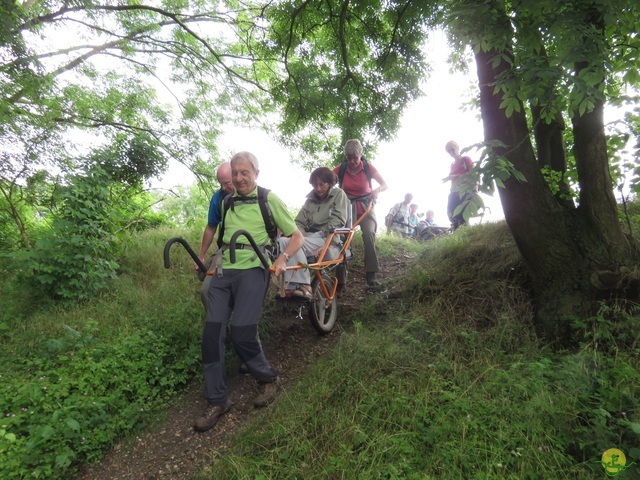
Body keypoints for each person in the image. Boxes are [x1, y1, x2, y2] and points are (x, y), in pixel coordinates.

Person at [194, 151, 305, 432]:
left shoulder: (268, 199)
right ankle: (217, 400)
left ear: (256, 173)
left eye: (245, 172)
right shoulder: (227, 201)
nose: (240, 178)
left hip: (254, 268)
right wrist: (203, 257)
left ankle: (268, 379)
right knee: (211, 335)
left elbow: (297, 236)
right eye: (236, 173)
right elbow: (213, 230)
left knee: (243, 331)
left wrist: (282, 259)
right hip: (223, 271)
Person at [277, 167, 350, 297]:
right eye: (315, 185)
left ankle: (304, 285)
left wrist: (329, 243)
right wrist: (299, 237)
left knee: (292, 243)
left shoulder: (338, 195)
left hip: (327, 236)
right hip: (309, 237)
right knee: (282, 241)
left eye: (322, 184)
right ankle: (292, 286)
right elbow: (298, 222)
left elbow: (338, 220)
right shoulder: (310, 200)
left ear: (330, 183)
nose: (318, 188)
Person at [333, 139, 388, 287]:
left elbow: (384, 184)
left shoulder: (368, 168)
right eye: (349, 158)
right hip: (346, 207)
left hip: (365, 206)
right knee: (342, 239)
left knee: (369, 234)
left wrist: (377, 190)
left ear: (361, 155)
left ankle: (372, 274)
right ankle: (340, 279)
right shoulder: (341, 168)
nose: (352, 161)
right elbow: (326, 181)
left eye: (355, 158)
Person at [196, 162, 235, 273]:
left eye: (227, 183)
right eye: (220, 184)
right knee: (206, 282)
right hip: (225, 250)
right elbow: (211, 227)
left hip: (252, 251)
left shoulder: (257, 196)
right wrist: (201, 256)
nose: (223, 188)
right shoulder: (218, 197)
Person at [445, 140, 475, 230]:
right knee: (452, 216)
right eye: (448, 151)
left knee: (462, 217)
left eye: (452, 149)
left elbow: (474, 175)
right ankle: (457, 237)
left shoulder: (465, 159)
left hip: (465, 192)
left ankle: (466, 237)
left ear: (457, 148)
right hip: (453, 194)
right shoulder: (452, 165)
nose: (451, 152)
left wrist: (475, 191)